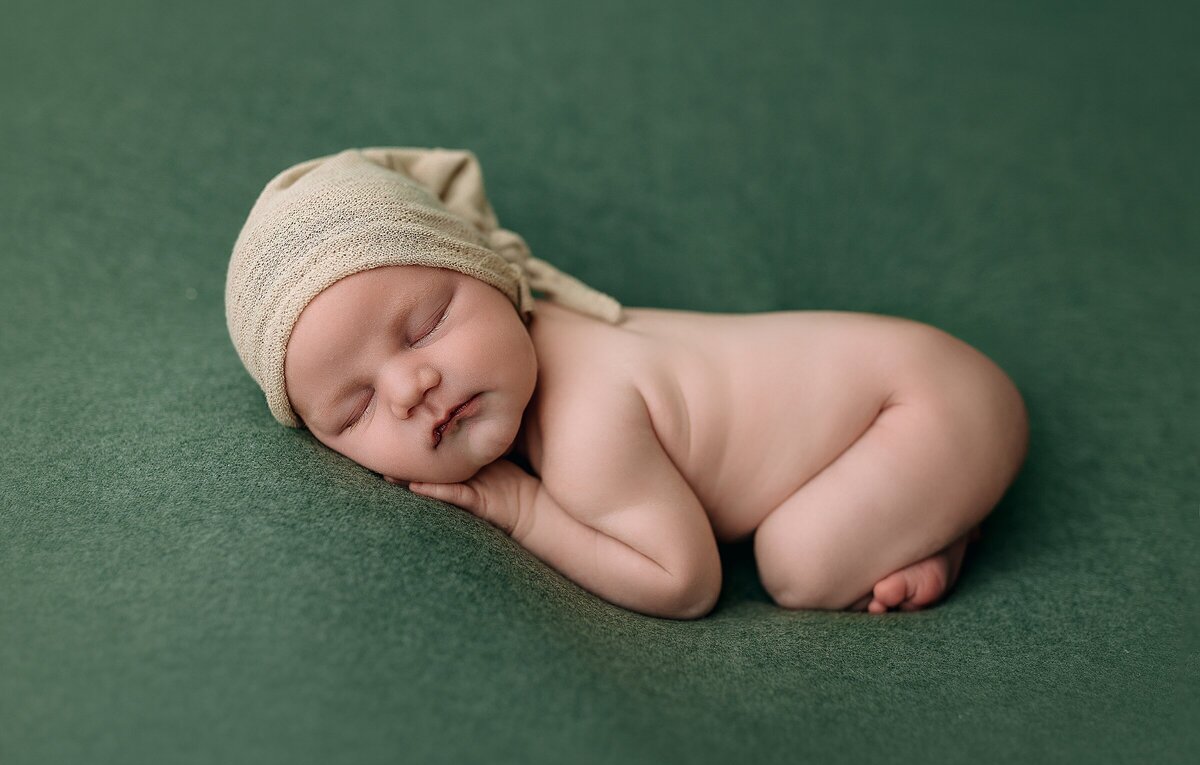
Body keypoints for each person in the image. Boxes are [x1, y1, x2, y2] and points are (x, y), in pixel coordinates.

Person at [226, 147, 1029, 620]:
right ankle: (933, 497)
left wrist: (520, 506)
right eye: (356, 406)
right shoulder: (554, 336)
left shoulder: (586, 424)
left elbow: (684, 582)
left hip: (922, 404)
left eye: (427, 323)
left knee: (799, 567)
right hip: (915, 379)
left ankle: (949, 519)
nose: (411, 388)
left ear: (498, 276)